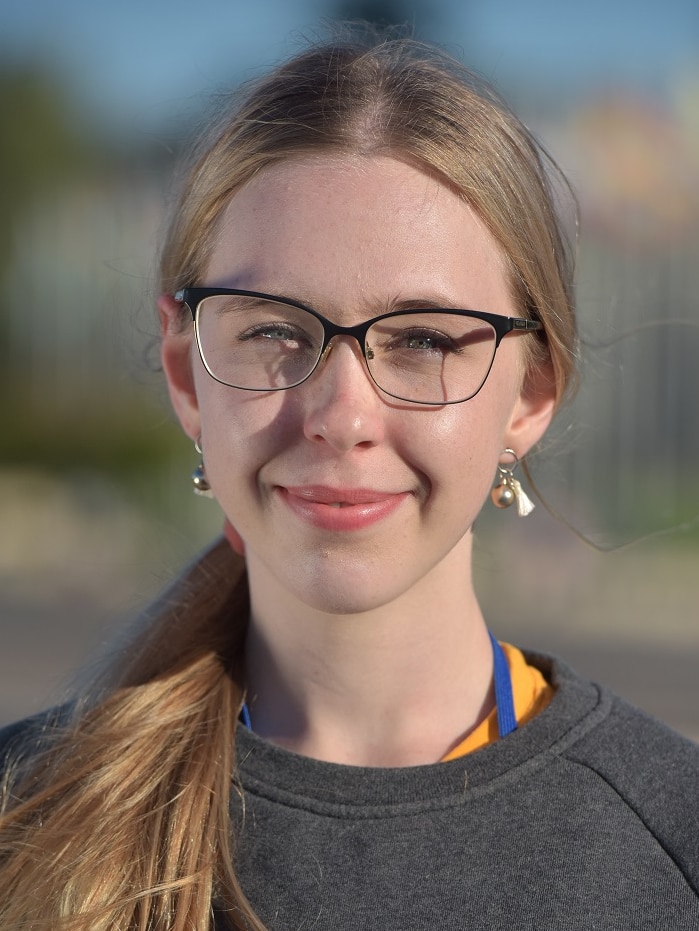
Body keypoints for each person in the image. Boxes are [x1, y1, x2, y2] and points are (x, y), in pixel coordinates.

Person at [0, 30, 697, 931]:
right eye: (273, 330)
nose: (341, 414)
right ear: (186, 375)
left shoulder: (670, 846)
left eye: (423, 339)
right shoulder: (27, 824)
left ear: (531, 392)